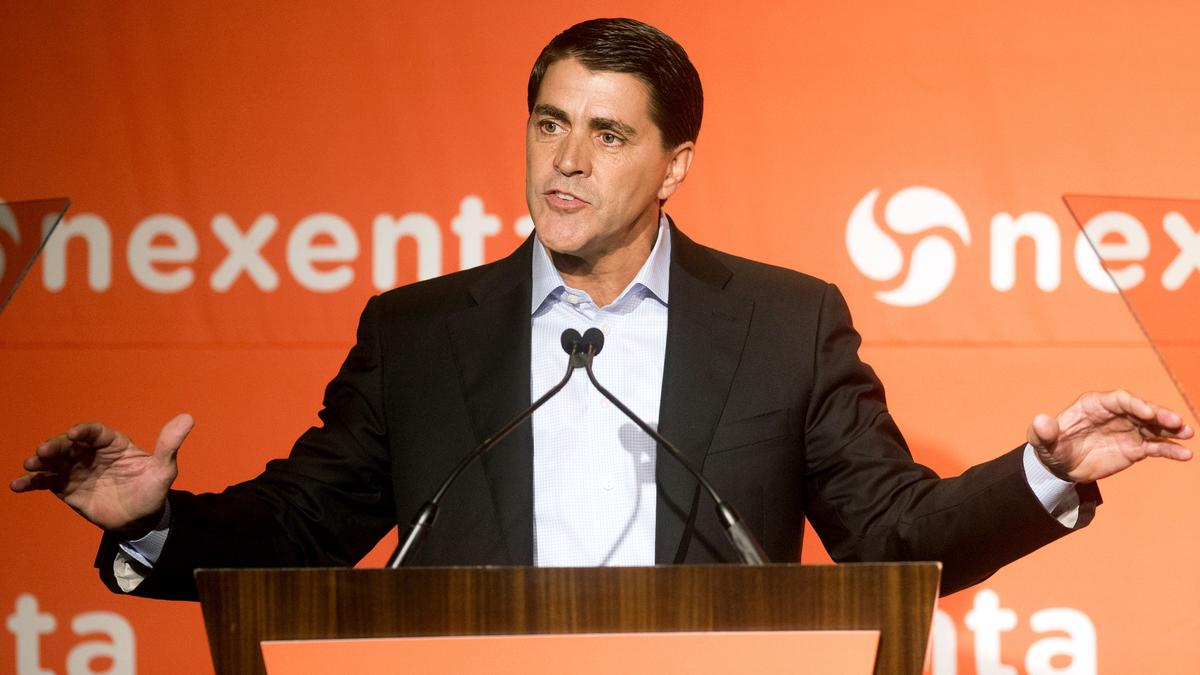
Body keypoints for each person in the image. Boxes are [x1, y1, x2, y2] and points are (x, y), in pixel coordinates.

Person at [10, 18, 1193, 600]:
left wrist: (1045, 475)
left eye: (609, 135)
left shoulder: (782, 324)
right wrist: (155, 525)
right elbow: (304, 529)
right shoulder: (420, 333)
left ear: (676, 164)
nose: (565, 162)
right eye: (548, 124)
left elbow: (889, 537)